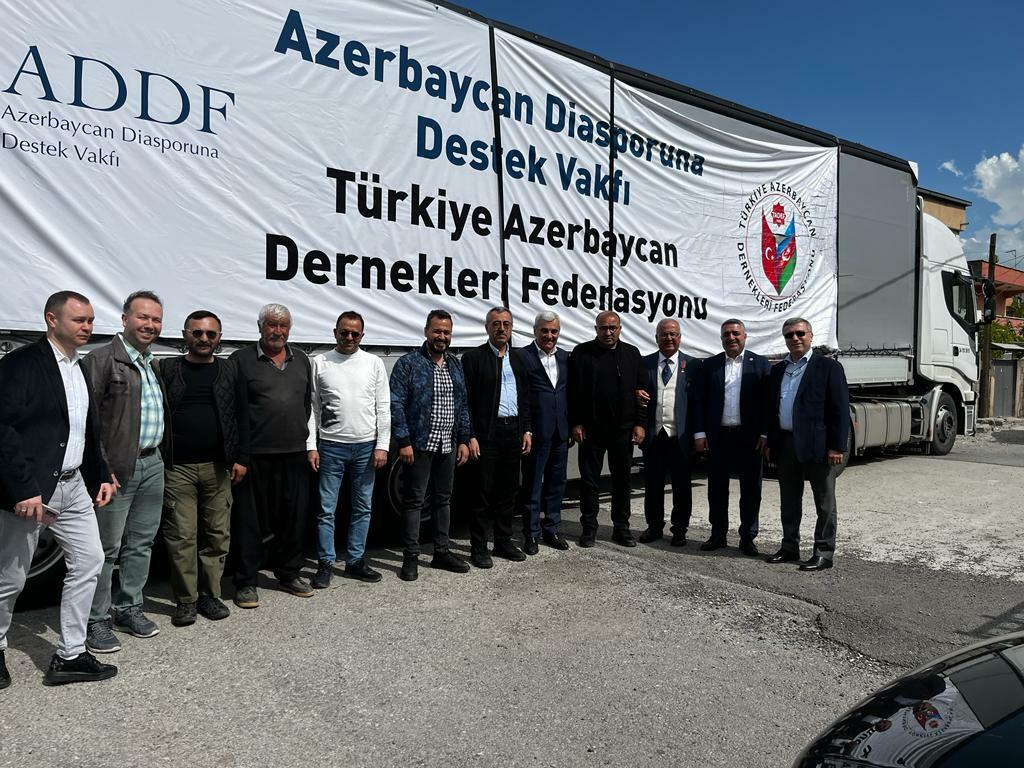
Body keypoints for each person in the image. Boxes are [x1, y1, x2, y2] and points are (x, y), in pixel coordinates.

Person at [0, 291, 117, 687]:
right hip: (33, 492)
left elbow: (85, 431)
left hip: (73, 486)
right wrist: (22, 489)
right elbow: (3, 429)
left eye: (90, 320)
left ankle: (70, 654)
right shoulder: (21, 364)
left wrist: (101, 474)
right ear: (52, 319)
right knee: (11, 578)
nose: (88, 327)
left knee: (89, 561)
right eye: (79, 320)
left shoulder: (78, 367)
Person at [83, 290, 170, 653]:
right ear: (124, 319)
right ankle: (96, 619)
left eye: (156, 319)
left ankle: (129, 607)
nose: (150, 324)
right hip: (117, 468)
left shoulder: (150, 362)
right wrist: (102, 468)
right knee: (106, 548)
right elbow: (88, 422)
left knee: (141, 542)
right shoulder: (102, 359)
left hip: (152, 463)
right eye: (143, 317)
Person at [160, 310, 250, 627]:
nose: (204, 339)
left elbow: (242, 415)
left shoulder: (229, 370)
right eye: (197, 333)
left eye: (211, 334)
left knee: (217, 536)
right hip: (177, 468)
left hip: (218, 467)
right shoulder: (167, 369)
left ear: (219, 338)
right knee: (181, 536)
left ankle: (210, 595)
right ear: (185, 335)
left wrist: (242, 458)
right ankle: (186, 600)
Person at [229, 303, 314, 607]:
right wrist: (239, 455)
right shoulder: (240, 360)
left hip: (294, 454)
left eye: (283, 325)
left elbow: (306, 406)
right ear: (260, 327)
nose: (278, 331)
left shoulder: (301, 359)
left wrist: (306, 443)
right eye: (271, 324)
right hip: (254, 456)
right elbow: (233, 411)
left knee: (292, 519)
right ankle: (245, 581)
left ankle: (289, 573)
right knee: (249, 522)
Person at [306, 311, 390, 589]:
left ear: (362, 335)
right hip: (331, 447)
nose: (349, 337)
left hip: (365, 447)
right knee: (325, 509)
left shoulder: (374, 363)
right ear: (335, 333)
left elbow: (383, 407)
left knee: (362, 508)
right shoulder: (320, 362)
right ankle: (326, 563)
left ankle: (355, 561)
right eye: (344, 332)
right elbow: (312, 408)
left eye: (355, 333)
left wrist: (382, 445)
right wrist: (311, 445)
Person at [390, 309, 472, 581]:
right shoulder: (409, 363)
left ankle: (441, 552)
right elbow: (396, 403)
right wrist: (403, 441)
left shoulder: (455, 365)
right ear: (426, 331)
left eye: (446, 332)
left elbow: (462, 404)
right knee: (414, 501)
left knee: (443, 499)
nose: (442, 336)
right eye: (437, 331)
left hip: (448, 444)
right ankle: (410, 557)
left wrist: (463, 439)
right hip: (419, 444)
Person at [764, 318, 850, 571]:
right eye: (789, 335)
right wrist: (770, 440)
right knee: (789, 501)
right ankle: (789, 546)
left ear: (811, 336)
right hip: (786, 443)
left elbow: (839, 409)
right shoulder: (778, 370)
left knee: (824, 503)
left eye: (800, 333)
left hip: (818, 446)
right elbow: (772, 408)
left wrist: (837, 446)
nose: (795, 338)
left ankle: (824, 552)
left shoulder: (828, 367)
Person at [568, 311, 646, 547]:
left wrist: (640, 423)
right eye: (603, 328)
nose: (608, 332)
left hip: (622, 430)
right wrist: (575, 422)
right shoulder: (581, 353)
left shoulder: (632, 354)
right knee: (589, 482)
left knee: (622, 481)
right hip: (591, 431)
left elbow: (642, 392)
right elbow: (572, 391)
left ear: (620, 329)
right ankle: (589, 529)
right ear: (596, 329)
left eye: (613, 328)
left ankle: (621, 529)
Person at [461, 307, 532, 568]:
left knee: (508, 491)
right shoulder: (473, 358)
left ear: (512, 328)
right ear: (487, 328)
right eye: (496, 324)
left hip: (513, 433)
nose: (501, 329)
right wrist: (470, 435)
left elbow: (526, 398)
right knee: (482, 493)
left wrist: (527, 429)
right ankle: (479, 547)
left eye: (506, 324)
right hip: (486, 435)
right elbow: (465, 401)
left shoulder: (520, 359)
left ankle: (503, 542)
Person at [693, 319, 770, 556]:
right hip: (719, 438)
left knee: (751, 490)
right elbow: (699, 401)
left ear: (745, 336)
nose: (731, 338)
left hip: (750, 439)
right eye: (726, 334)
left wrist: (765, 433)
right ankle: (718, 535)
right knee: (717, 489)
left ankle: (748, 537)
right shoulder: (710, 365)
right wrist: (700, 433)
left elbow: (768, 403)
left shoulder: (760, 364)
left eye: (736, 333)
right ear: (721, 338)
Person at [637, 319, 698, 547]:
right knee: (653, 486)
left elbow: (698, 404)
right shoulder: (645, 364)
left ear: (680, 337)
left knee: (682, 487)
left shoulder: (693, 365)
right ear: (656, 338)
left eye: (673, 334)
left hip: (680, 437)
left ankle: (679, 529)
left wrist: (698, 434)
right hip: (654, 437)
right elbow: (636, 394)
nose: (669, 338)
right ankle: (654, 527)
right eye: (664, 334)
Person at [516, 311, 571, 554]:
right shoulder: (522, 356)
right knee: (532, 484)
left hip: (560, 432)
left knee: (557, 483)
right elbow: (522, 397)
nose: (550, 335)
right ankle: (531, 533)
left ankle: (552, 528)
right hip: (536, 433)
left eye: (554, 331)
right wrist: (526, 428)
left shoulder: (565, 357)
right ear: (535, 331)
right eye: (545, 331)